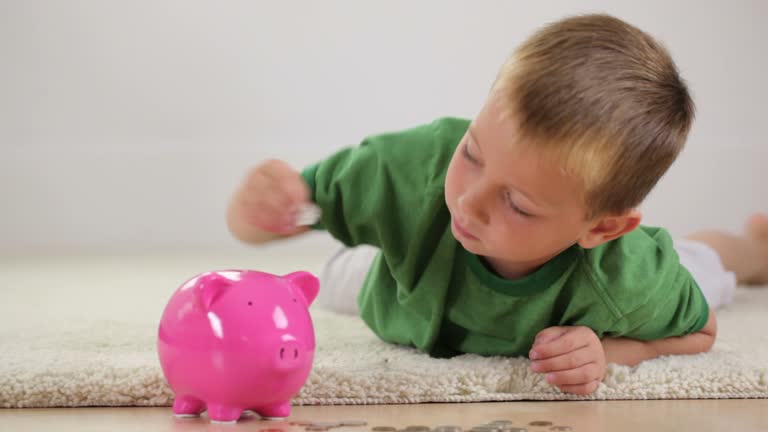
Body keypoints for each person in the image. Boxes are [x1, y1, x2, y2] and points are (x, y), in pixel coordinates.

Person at [226, 14, 768, 395]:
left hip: (599, 281)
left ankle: (754, 248)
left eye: (518, 203)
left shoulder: (628, 277)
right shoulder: (416, 169)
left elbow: (700, 334)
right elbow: (269, 223)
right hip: (406, 278)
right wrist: (262, 209)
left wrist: (615, 351)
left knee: (704, 264)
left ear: (602, 227)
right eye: (474, 154)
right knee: (337, 275)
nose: (468, 200)